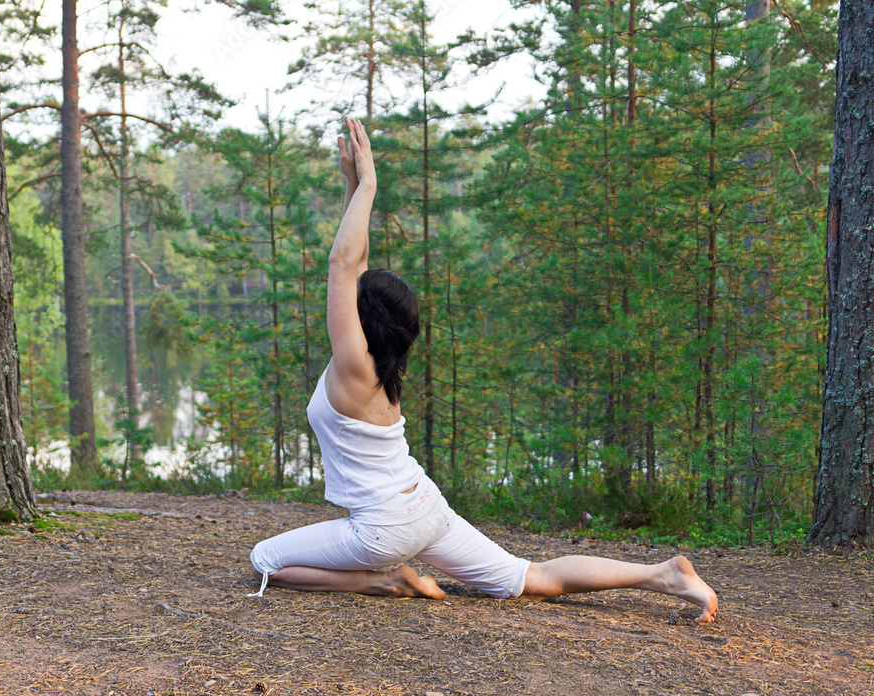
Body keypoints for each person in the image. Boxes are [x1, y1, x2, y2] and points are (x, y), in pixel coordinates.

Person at [248, 117, 718, 624]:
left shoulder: (352, 367)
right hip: (426, 508)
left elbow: (344, 264)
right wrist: (350, 185)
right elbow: (353, 263)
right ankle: (663, 574)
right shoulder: (377, 368)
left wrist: (368, 185)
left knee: (265, 560)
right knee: (531, 578)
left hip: (382, 532)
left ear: (359, 315)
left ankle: (385, 579)